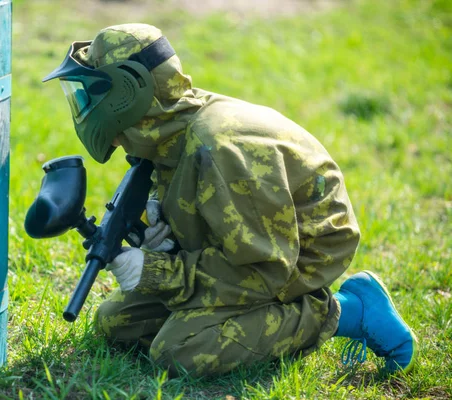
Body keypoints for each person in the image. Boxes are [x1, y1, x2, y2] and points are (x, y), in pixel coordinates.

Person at [42, 23, 418, 377]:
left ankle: (346, 311)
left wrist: (156, 271)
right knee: (116, 324)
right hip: (246, 247)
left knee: (180, 351)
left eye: (92, 93)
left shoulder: (217, 148)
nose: (84, 108)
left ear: (129, 91)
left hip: (298, 256)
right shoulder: (165, 128)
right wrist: (165, 231)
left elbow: (264, 271)